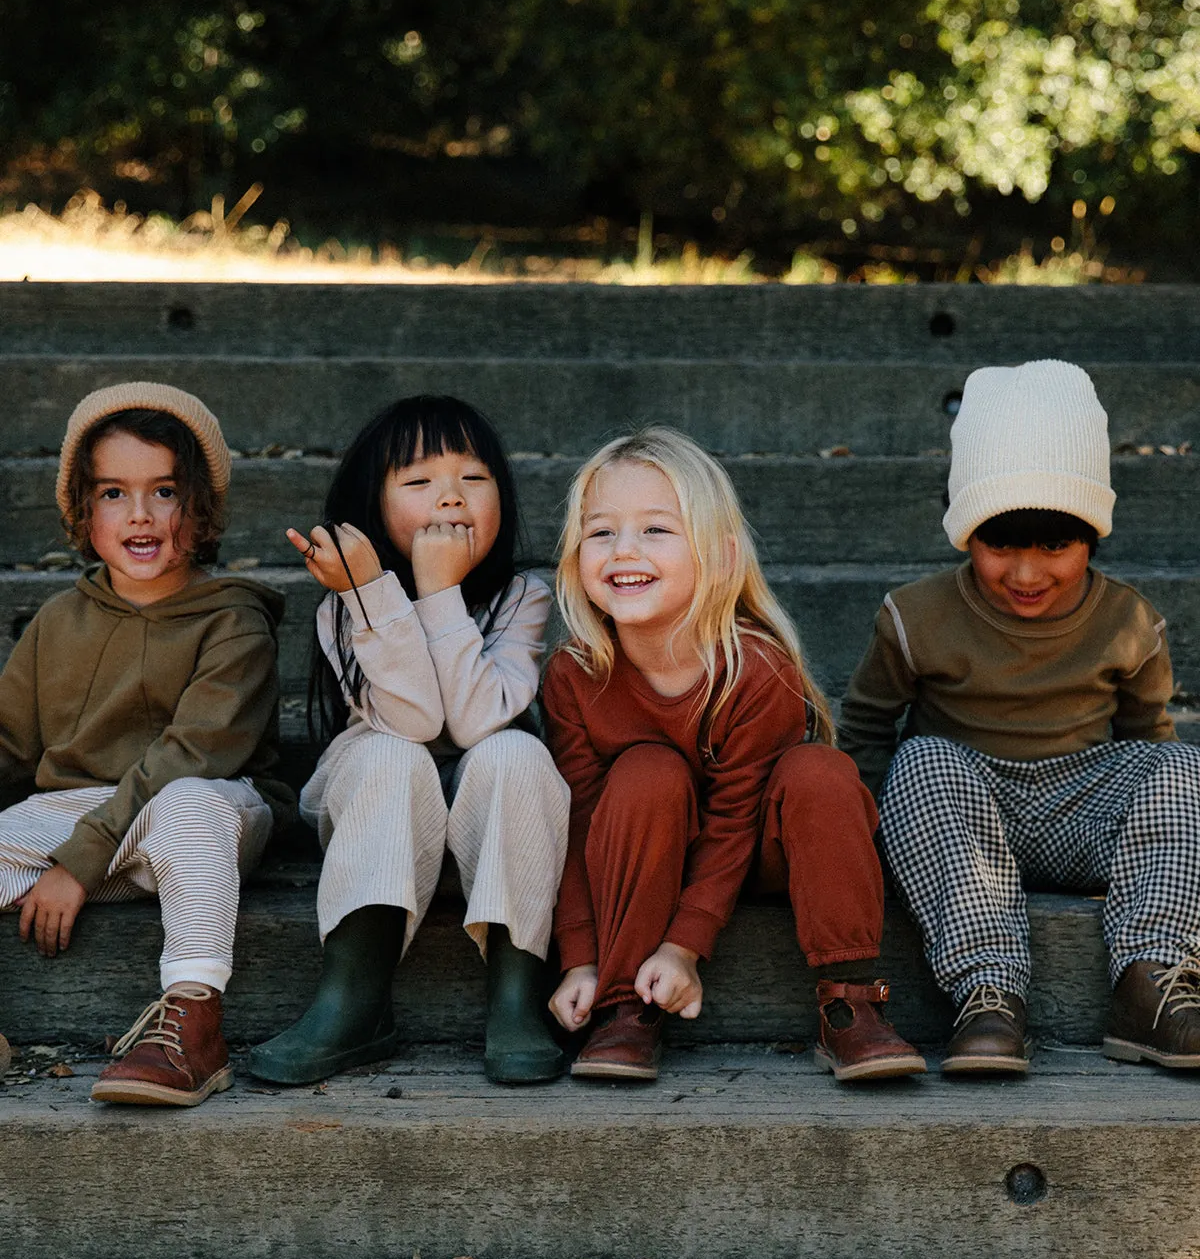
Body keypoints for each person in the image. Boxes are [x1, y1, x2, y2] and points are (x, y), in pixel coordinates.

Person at [840, 359, 1200, 1075]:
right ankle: (989, 992)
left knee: (1182, 766)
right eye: (1000, 545)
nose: (1027, 574)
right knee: (921, 760)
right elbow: (865, 737)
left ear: (1093, 536)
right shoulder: (914, 617)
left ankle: (1150, 982)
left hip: (1085, 812)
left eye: (1055, 546)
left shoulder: (1132, 621)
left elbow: (1148, 749)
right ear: (963, 530)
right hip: (962, 814)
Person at [542, 427, 925, 1082]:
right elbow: (577, 824)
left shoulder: (757, 670)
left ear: (720, 558)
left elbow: (732, 823)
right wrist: (581, 958)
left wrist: (686, 947)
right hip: (642, 858)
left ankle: (849, 1003)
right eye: (600, 531)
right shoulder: (575, 676)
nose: (623, 550)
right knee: (645, 772)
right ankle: (626, 1005)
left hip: (759, 849)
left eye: (657, 530)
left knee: (822, 774)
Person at [247, 395, 569, 1087]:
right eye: (419, 482)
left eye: (473, 480)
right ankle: (353, 1001)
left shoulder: (523, 597)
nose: (450, 498)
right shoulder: (347, 603)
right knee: (392, 752)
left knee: (515, 749)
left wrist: (440, 592)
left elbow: (482, 720)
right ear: (374, 505)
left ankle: (516, 997)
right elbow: (416, 722)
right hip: (381, 827)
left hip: (498, 835)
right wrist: (380, 592)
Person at [0, 382, 291, 1106]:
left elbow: (189, 757)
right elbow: (9, 751)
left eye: (165, 491)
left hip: (209, 818)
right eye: (111, 493)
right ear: (80, 508)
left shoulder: (233, 623)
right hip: (89, 823)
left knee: (188, 801)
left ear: (202, 506)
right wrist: (74, 850)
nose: (139, 514)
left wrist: (76, 862)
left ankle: (193, 1025)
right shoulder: (58, 622)